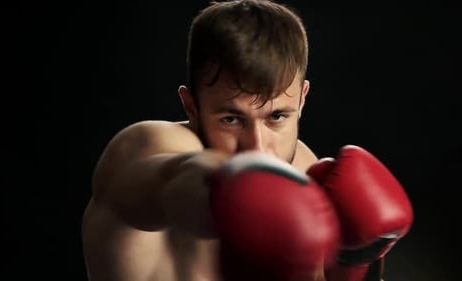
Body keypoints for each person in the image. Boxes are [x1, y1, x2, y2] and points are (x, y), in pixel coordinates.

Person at [81, 1, 413, 281]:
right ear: (191, 107)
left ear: (302, 99)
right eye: (231, 119)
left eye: (276, 117)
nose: (258, 147)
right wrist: (231, 191)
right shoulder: (148, 146)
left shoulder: (307, 170)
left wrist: (353, 261)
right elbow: (175, 181)